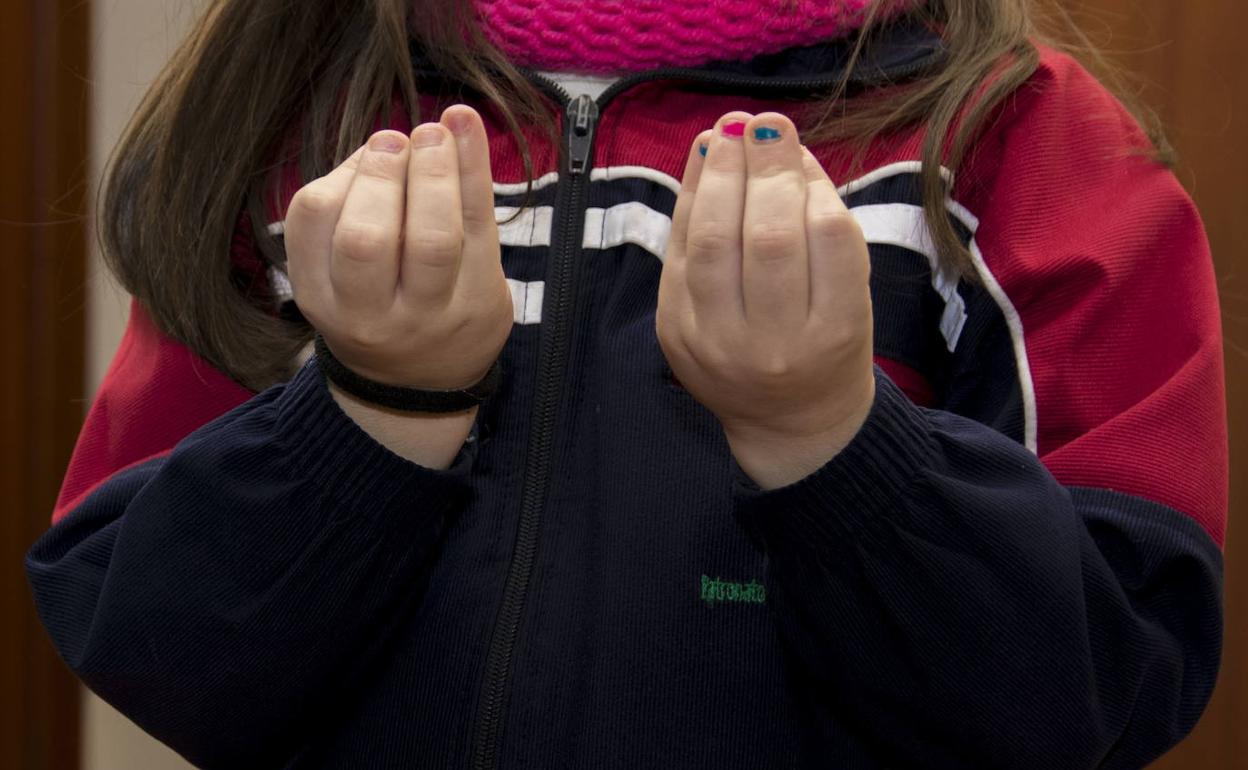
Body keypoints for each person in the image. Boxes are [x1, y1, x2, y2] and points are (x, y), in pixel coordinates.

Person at [26, 0, 1227, 767]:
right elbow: (152, 643)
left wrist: (832, 442)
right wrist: (376, 414)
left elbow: (1111, 679)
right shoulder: (303, 111)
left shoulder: (1029, 140)